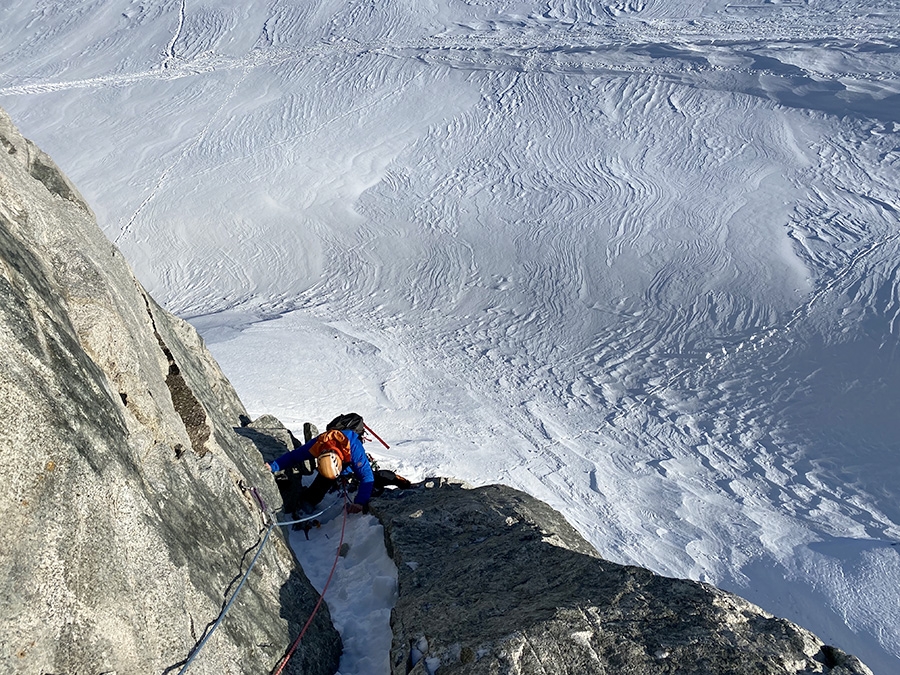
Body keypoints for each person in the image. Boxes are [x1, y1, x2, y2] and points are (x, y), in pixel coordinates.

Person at [267, 413, 375, 514]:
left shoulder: (354, 449)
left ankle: (344, 474)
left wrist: (360, 502)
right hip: (337, 457)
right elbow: (294, 456)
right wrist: (272, 466)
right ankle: (310, 499)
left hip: (348, 455)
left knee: (356, 470)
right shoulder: (318, 444)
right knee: (326, 477)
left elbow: (367, 476)